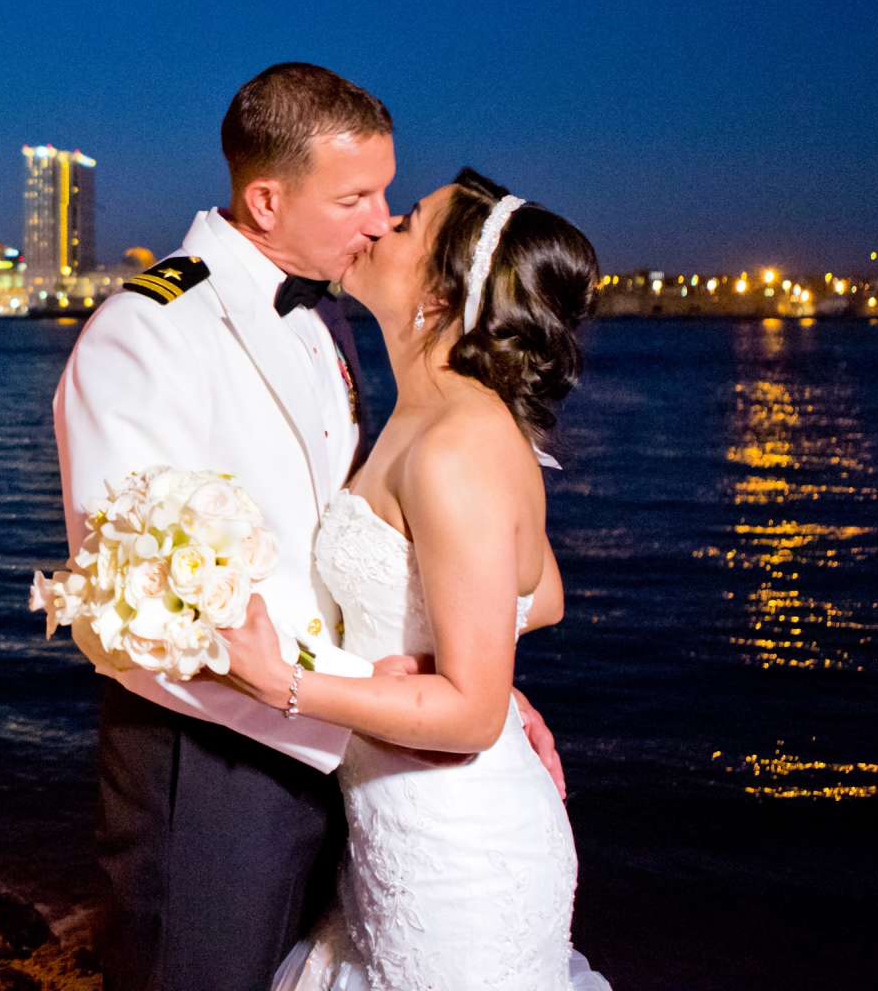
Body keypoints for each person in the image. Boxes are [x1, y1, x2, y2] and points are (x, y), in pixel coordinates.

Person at [57, 63, 562, 991]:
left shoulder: (330, 321)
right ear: (264, 199)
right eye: (356, 198)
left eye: (387, 196)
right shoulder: (152, 328)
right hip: (212, 770)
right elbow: (133, 605)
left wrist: (465, 670)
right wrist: (400, 694)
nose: (379, 220)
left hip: (344, 759)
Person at [216, 167, 609, 991]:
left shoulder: (456, 446)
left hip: (456, 857)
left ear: (438, 294)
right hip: (401, 833)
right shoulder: (435, 415)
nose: (379, 223)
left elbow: (464, 717)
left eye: (406, 225)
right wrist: (462, 653)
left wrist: (284, 682)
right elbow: (543, 595)